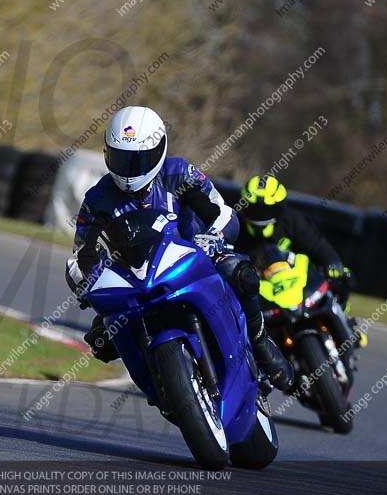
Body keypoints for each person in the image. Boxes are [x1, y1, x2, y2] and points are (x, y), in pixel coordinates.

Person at [65, 106, 294, 391]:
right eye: (121, 159)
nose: (128, 171)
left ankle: (260, 341)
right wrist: (89, 284)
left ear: (159, 150)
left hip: (193, 256)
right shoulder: (98, 199)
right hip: (136, 279)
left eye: (138, 161)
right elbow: (81, 255)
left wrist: (214, 236)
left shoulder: (180, 173)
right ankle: (157, 384)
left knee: (240, 273)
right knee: (101, 338)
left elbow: (219, 211)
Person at [234, 175, 354, 305]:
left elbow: (317, 245)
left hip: (299, 288)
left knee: (341, 287)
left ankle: (340, 320)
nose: (260, 216)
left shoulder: (294, 221)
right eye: (254, 210)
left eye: (266, 210)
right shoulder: (235, 226)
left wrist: (332, 261)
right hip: (258, 294)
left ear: (279, 208)